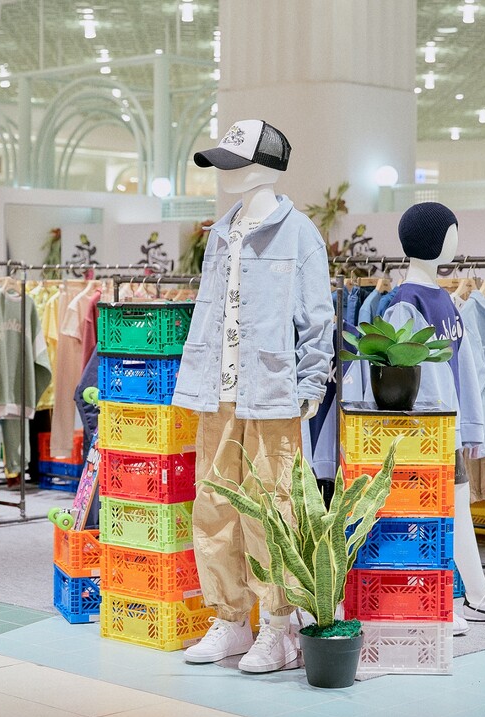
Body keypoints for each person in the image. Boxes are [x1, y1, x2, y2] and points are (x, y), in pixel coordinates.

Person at [171, 120, 334, 673]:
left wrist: (310, 385)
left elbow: (318, 319)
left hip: (272, 395)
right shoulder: (221, 232)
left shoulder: (299, 234)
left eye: (233, 161)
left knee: (273, 512)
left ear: (264, 167)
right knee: (214, 506)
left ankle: (278, 627)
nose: (223, 172)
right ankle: (230, 620)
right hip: (218, 392)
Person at [381, 202, 485, 632]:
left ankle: (477, 596)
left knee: (456, 510)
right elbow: (408, 375)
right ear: (436, 239)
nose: (456, 240)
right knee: (421, 516)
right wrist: (442, 426)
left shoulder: (444, 302)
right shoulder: (406, 302)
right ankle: (434, 600)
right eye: (451, 232)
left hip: (445, 429)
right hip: (422, 431)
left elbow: (466, 368)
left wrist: (470, 427)